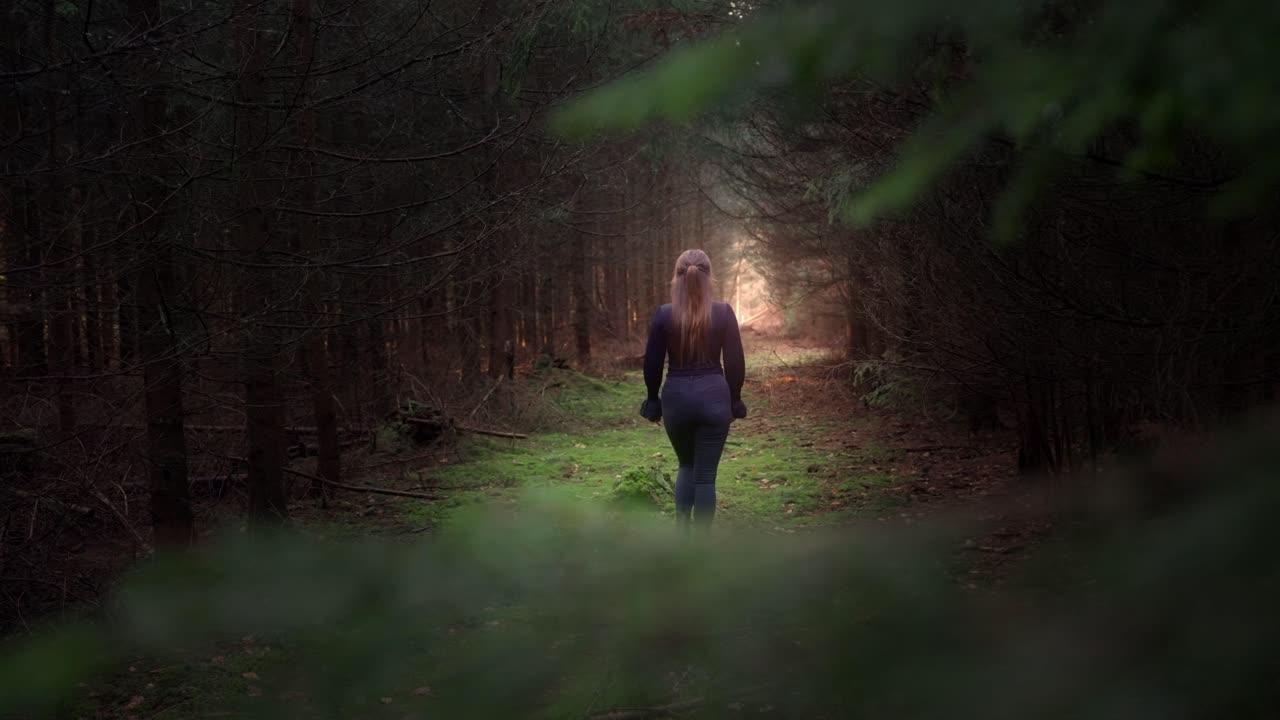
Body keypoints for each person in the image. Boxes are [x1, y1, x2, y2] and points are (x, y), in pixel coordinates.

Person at [639, 249, 747, 532]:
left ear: (677, 278)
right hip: (714, 397)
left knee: (686, 466)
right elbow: (735, 363)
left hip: (677, 399)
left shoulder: (664, 314)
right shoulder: (723, 312)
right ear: (709, 277)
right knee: (706, 477)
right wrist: (735, 400)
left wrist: (652, 399)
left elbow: (652, 363)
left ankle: (683, 538)